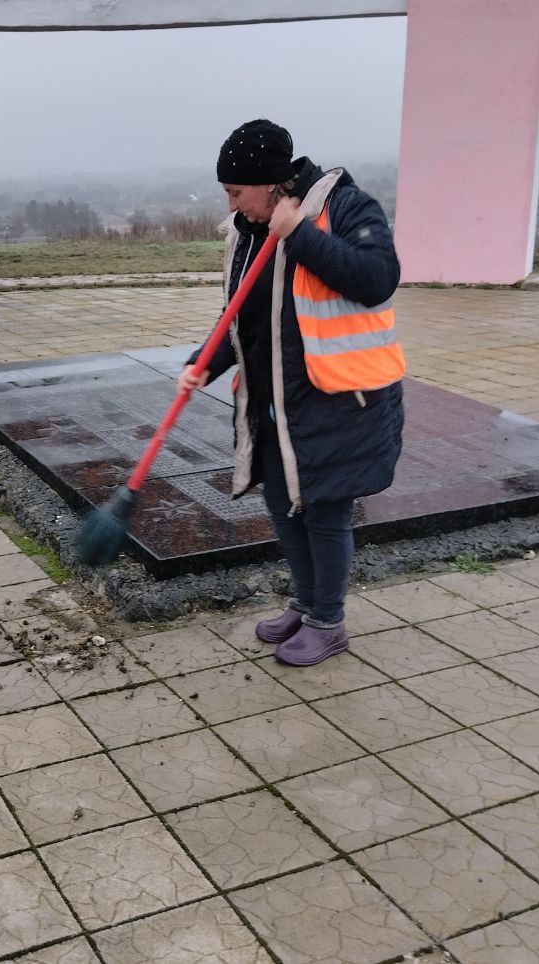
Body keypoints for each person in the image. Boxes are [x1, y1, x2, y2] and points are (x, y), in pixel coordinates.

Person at [178, 119, 405, 667]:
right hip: (273, 400)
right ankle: (306, 605)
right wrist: (203, 364)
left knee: (324, 513)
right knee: (284, 506)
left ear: (270, 182)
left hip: (339, 401)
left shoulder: (347, 206)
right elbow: (244, 319)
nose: (234, 205)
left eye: (237, 192)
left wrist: (299, 233)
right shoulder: (247, 229)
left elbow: (378, 279)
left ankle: (329, 622)